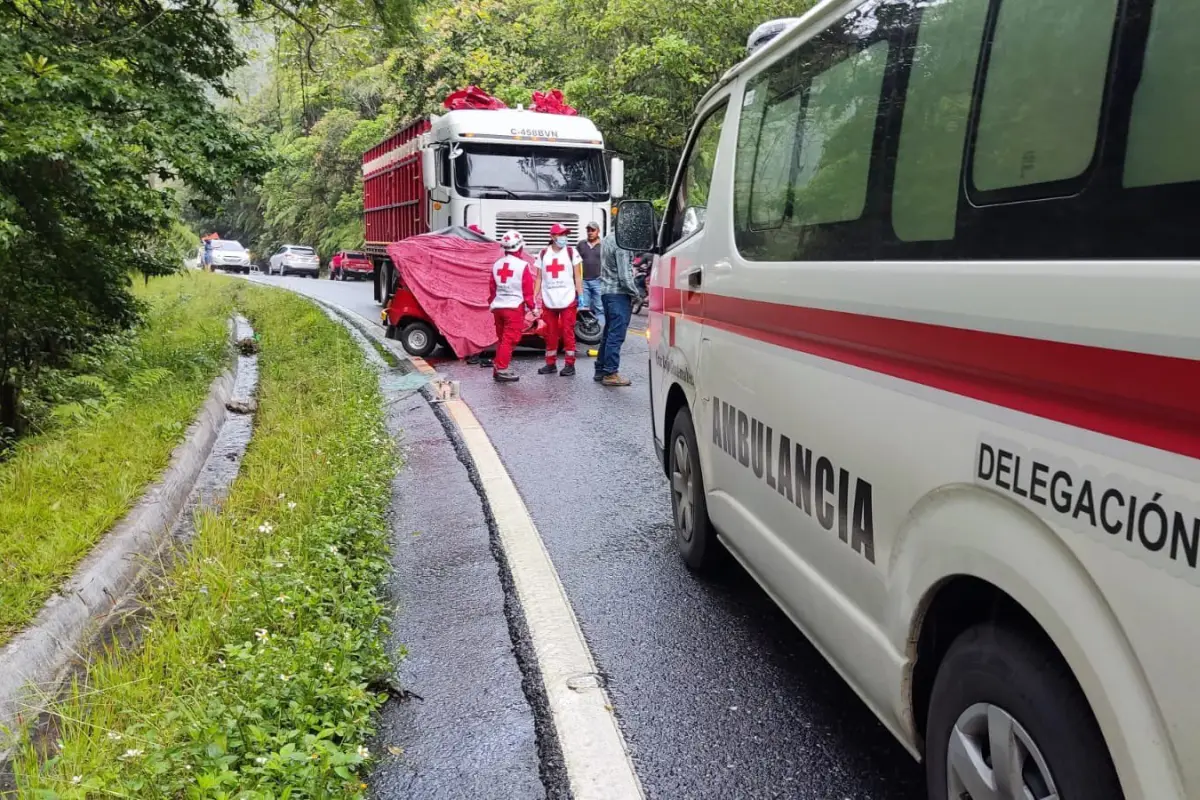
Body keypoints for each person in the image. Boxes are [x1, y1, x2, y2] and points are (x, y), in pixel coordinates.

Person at [534, 222, 583, 377]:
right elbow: (539, 277)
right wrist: (534, 296)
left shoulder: (571, 252)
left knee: (568, 331)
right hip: (549, 299)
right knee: (550, 333)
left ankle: (569, 364)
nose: (564, 237)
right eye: (561, 234)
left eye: (565, 234)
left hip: (568, 298)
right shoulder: (543, 254)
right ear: (553, 236)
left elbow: (577, 276)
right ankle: (550, 364)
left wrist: (581, 295)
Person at [488, 230, 535, 383]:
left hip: (498, 307)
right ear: (520, 247)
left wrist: (494, 304)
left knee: (502, 339)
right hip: (514, 308)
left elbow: (492, 289)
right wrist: (533, 308)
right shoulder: (522, 266)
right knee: (510, 339)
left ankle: (498, 367)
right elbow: (527, 290)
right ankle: (502, 368)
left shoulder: (496, 265)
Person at [596, 230, 639, 386]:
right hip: (619, 294)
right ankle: (610, 373)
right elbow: (624, 276)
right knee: (616, 335)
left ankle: (600, 369)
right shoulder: (623, 244)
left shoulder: (608, 238)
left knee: (608, 333)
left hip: (606, 292)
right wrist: (636, 293)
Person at [577, 221, 604, 331]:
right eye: (588, 230)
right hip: (583, 281)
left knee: (600, 308)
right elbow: (575, 261)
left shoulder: (603, 245)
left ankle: (600, 332)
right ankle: (585, 331)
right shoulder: (581, 244)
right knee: (583, 308)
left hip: (598, 281)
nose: (590, 232)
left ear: (598, 231)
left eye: (592, 230)